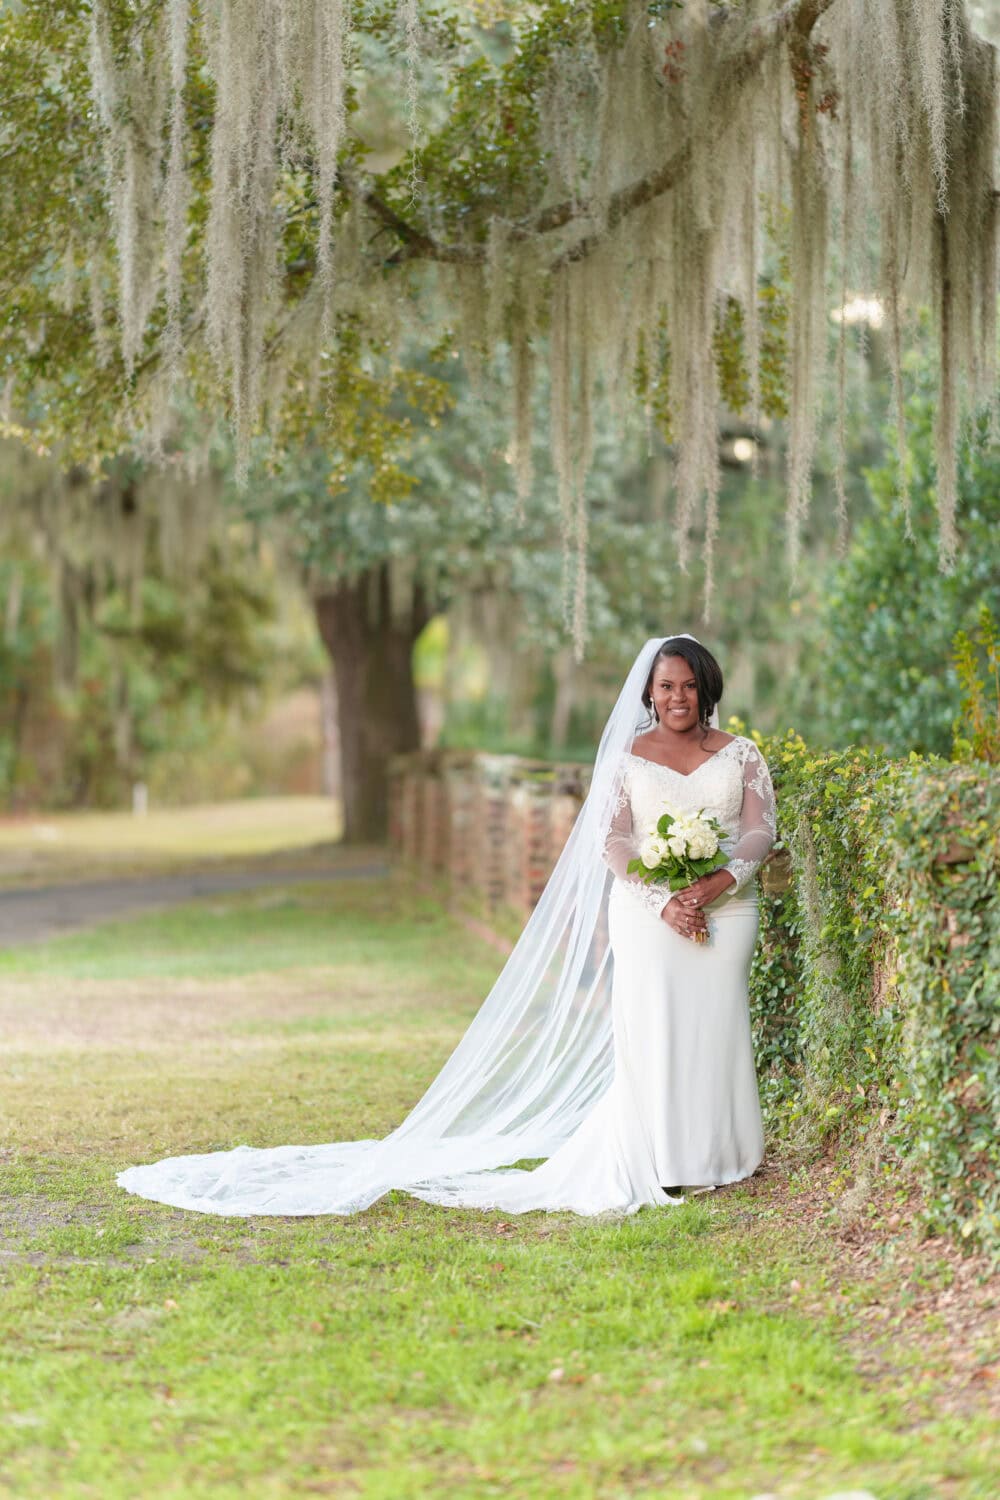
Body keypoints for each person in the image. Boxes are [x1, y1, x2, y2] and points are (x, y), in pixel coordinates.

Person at [117, 634, 775, 1217]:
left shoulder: (741, 753)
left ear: (706, 688)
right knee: (656, 1025)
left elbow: (758, 830)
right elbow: (613, 841)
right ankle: (664, 1160)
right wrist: (664, 899)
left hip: (727, 910)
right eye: (666, 686)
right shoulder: (629, 755)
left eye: (689, 685)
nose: (679, 696)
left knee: (715, 1020)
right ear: (650, 693)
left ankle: (723, 1154)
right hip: (646, 913)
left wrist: (713, 885)